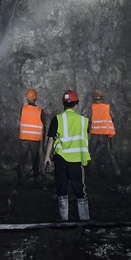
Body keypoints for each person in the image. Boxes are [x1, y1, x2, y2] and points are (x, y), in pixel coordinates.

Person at [44, 90, 91, 221]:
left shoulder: (57, 119)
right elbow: (87, 137)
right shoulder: (83, 121)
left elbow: (51, 140)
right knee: (79, 188)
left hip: (60, 159)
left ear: (63, 104)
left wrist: (47, 157)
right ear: (76, 104)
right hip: (76, 159)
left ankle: (64, 219)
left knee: (61, 188)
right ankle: (85, 218)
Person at [89, 89, 120, 177]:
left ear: (94, 98)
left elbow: (90, 119)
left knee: (91, 153)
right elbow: (113, 117)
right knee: (103, 153)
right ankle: (102, 172)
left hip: (95, 133)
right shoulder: (107, 107)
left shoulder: (92, 107)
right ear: (102, 98)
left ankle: (90, 171)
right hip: (104, 134)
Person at [17, 88, 45, 184]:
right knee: (35, 159)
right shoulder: (40, 111)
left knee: (22, 159)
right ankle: (36, 178)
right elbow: (44, 126)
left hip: (24, 138)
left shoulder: (23, 109)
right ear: (35, 98)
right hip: (34, 140)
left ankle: (19, 177)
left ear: (27, 99)